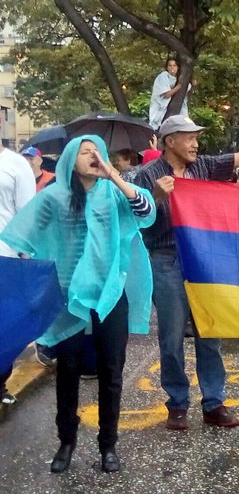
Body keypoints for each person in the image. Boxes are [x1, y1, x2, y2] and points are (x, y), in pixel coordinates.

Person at [1, 136, 156, 474]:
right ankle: (66, 442)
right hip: (68, 298)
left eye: (96, 152)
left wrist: (113, 173)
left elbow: (146, 213)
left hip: (110, 295)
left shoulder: (114, 193)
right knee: (68, 371)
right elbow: (24, 234)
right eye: (85, 153)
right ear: (71, 159)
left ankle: (108, 445)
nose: (92, 157)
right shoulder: (55, 196)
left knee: (111, 372)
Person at [131, 88, 239, 431]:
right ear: (169, 141)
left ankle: (213, 403)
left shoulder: (205, 166)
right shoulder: (147, 175)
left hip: (205, 260)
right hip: (166, 259)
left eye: (196, 139)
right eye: (189, 139)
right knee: (171, 336)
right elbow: (137, 219)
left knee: (210, 332)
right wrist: (156, 197)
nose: (195, 145)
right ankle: (177, 403)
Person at [0, 141, 37, 404]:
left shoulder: (16, 164)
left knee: (6, 325)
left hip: (7, 257)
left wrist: (27, 261)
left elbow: (27, 215)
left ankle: (0, 382)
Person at [148, 57, 190, 129]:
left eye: (174, 65)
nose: (172, 68)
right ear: (167, 67)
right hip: (159, 111)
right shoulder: (163, 76)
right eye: (170, 65)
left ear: (178, 67)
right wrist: (179, 85)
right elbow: (167, 94)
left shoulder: (178, 78)